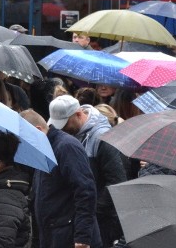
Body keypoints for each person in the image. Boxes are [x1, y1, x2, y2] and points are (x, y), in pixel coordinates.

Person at [48, 94, 127, 247]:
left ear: (78, 114)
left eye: (64, 123)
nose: (61, 129)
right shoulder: (71, 135)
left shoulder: (103, 138)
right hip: (80, 218)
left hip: (101, 220)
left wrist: (91, 210)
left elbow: (117, 182)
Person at [21, 109, 101, 248]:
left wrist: (82, 237)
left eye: (23, 140)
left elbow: (85, 192)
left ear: (38, 130)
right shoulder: (45, 150)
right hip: (55, 236)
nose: (23, 146)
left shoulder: (66, 147)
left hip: (71, 238)